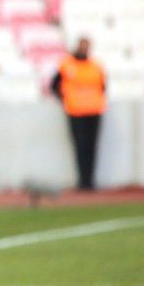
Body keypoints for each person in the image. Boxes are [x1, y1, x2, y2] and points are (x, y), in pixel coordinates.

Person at [50, 37, 106, 190]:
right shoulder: (67, 64)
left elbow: (103, 86)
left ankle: (90, 181)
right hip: (75, 110)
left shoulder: (96, 66)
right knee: (80, 146)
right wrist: (64, 98)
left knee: (91, 146)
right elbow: (54, 85)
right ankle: (83, 181)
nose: (84, 49)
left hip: (94, 110)